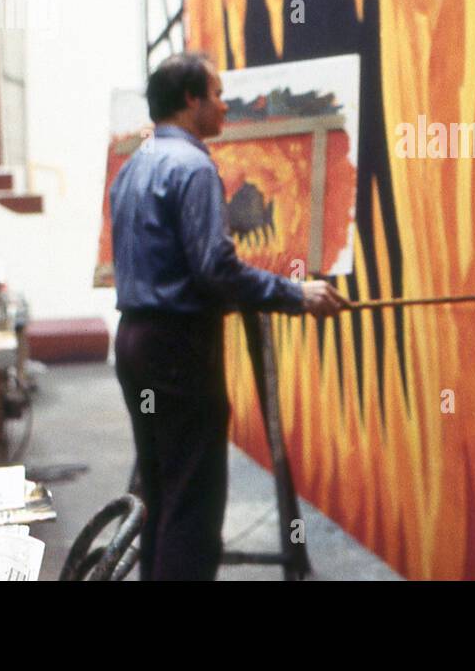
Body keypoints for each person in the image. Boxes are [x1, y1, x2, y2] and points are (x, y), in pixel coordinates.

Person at [110, 52, 346, 580]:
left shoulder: (134, 167)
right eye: (216, 94)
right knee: (193, 503)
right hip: (177, 348)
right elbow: (214, 269)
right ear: (191, 100)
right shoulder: (192, 167)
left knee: (159, 493)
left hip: (135, 343)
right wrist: (295, 294)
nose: (224, 105)